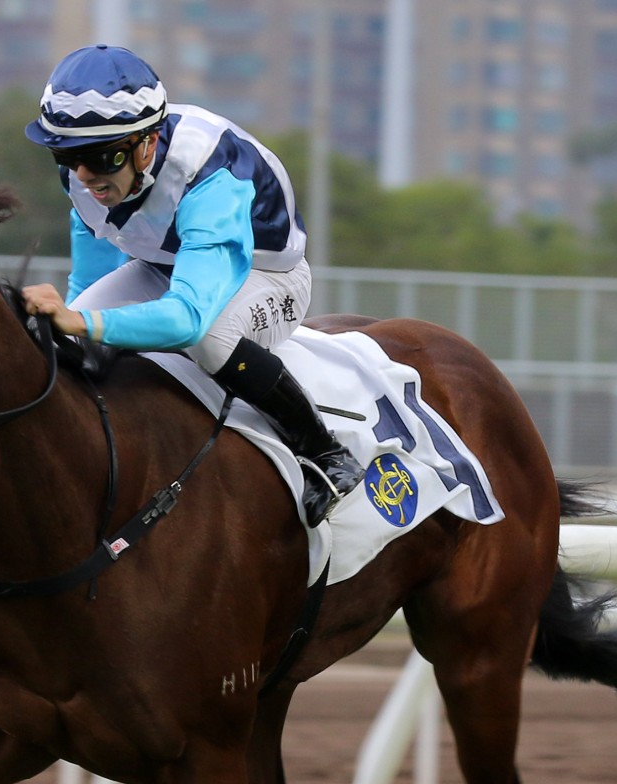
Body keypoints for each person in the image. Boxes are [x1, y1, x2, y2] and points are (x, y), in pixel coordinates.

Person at [21, 44, 362, 527]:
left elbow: (187, 318)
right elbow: (93, 259)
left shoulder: (211, 175)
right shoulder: (83, 170)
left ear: (147, 142)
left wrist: (84, 320)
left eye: (101, 157)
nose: (83, 174)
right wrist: (79, 328)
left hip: (264, 274)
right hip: (163, 264)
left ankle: (325, 452)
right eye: (66, 154)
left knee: (208, 338)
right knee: (73, 342)